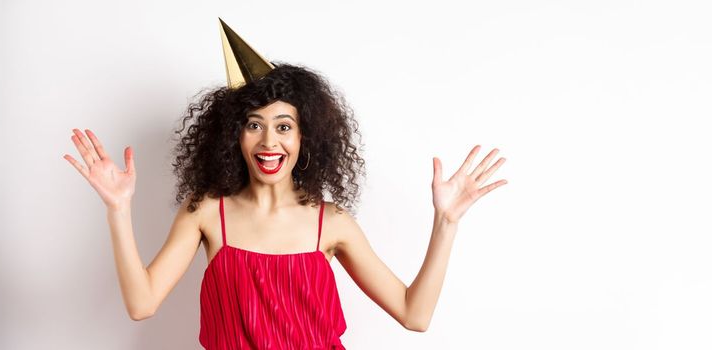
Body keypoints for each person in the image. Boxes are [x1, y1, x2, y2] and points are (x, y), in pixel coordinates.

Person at [63, 19, 508, 349]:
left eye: (283, 126)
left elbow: (416, 314)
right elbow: (142, 305)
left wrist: (446, 222)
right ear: (233, 134)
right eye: (253, 125)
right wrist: (118, 210)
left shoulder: (331, 223)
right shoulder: (205, 213)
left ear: (303, 136)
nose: (268, 141)